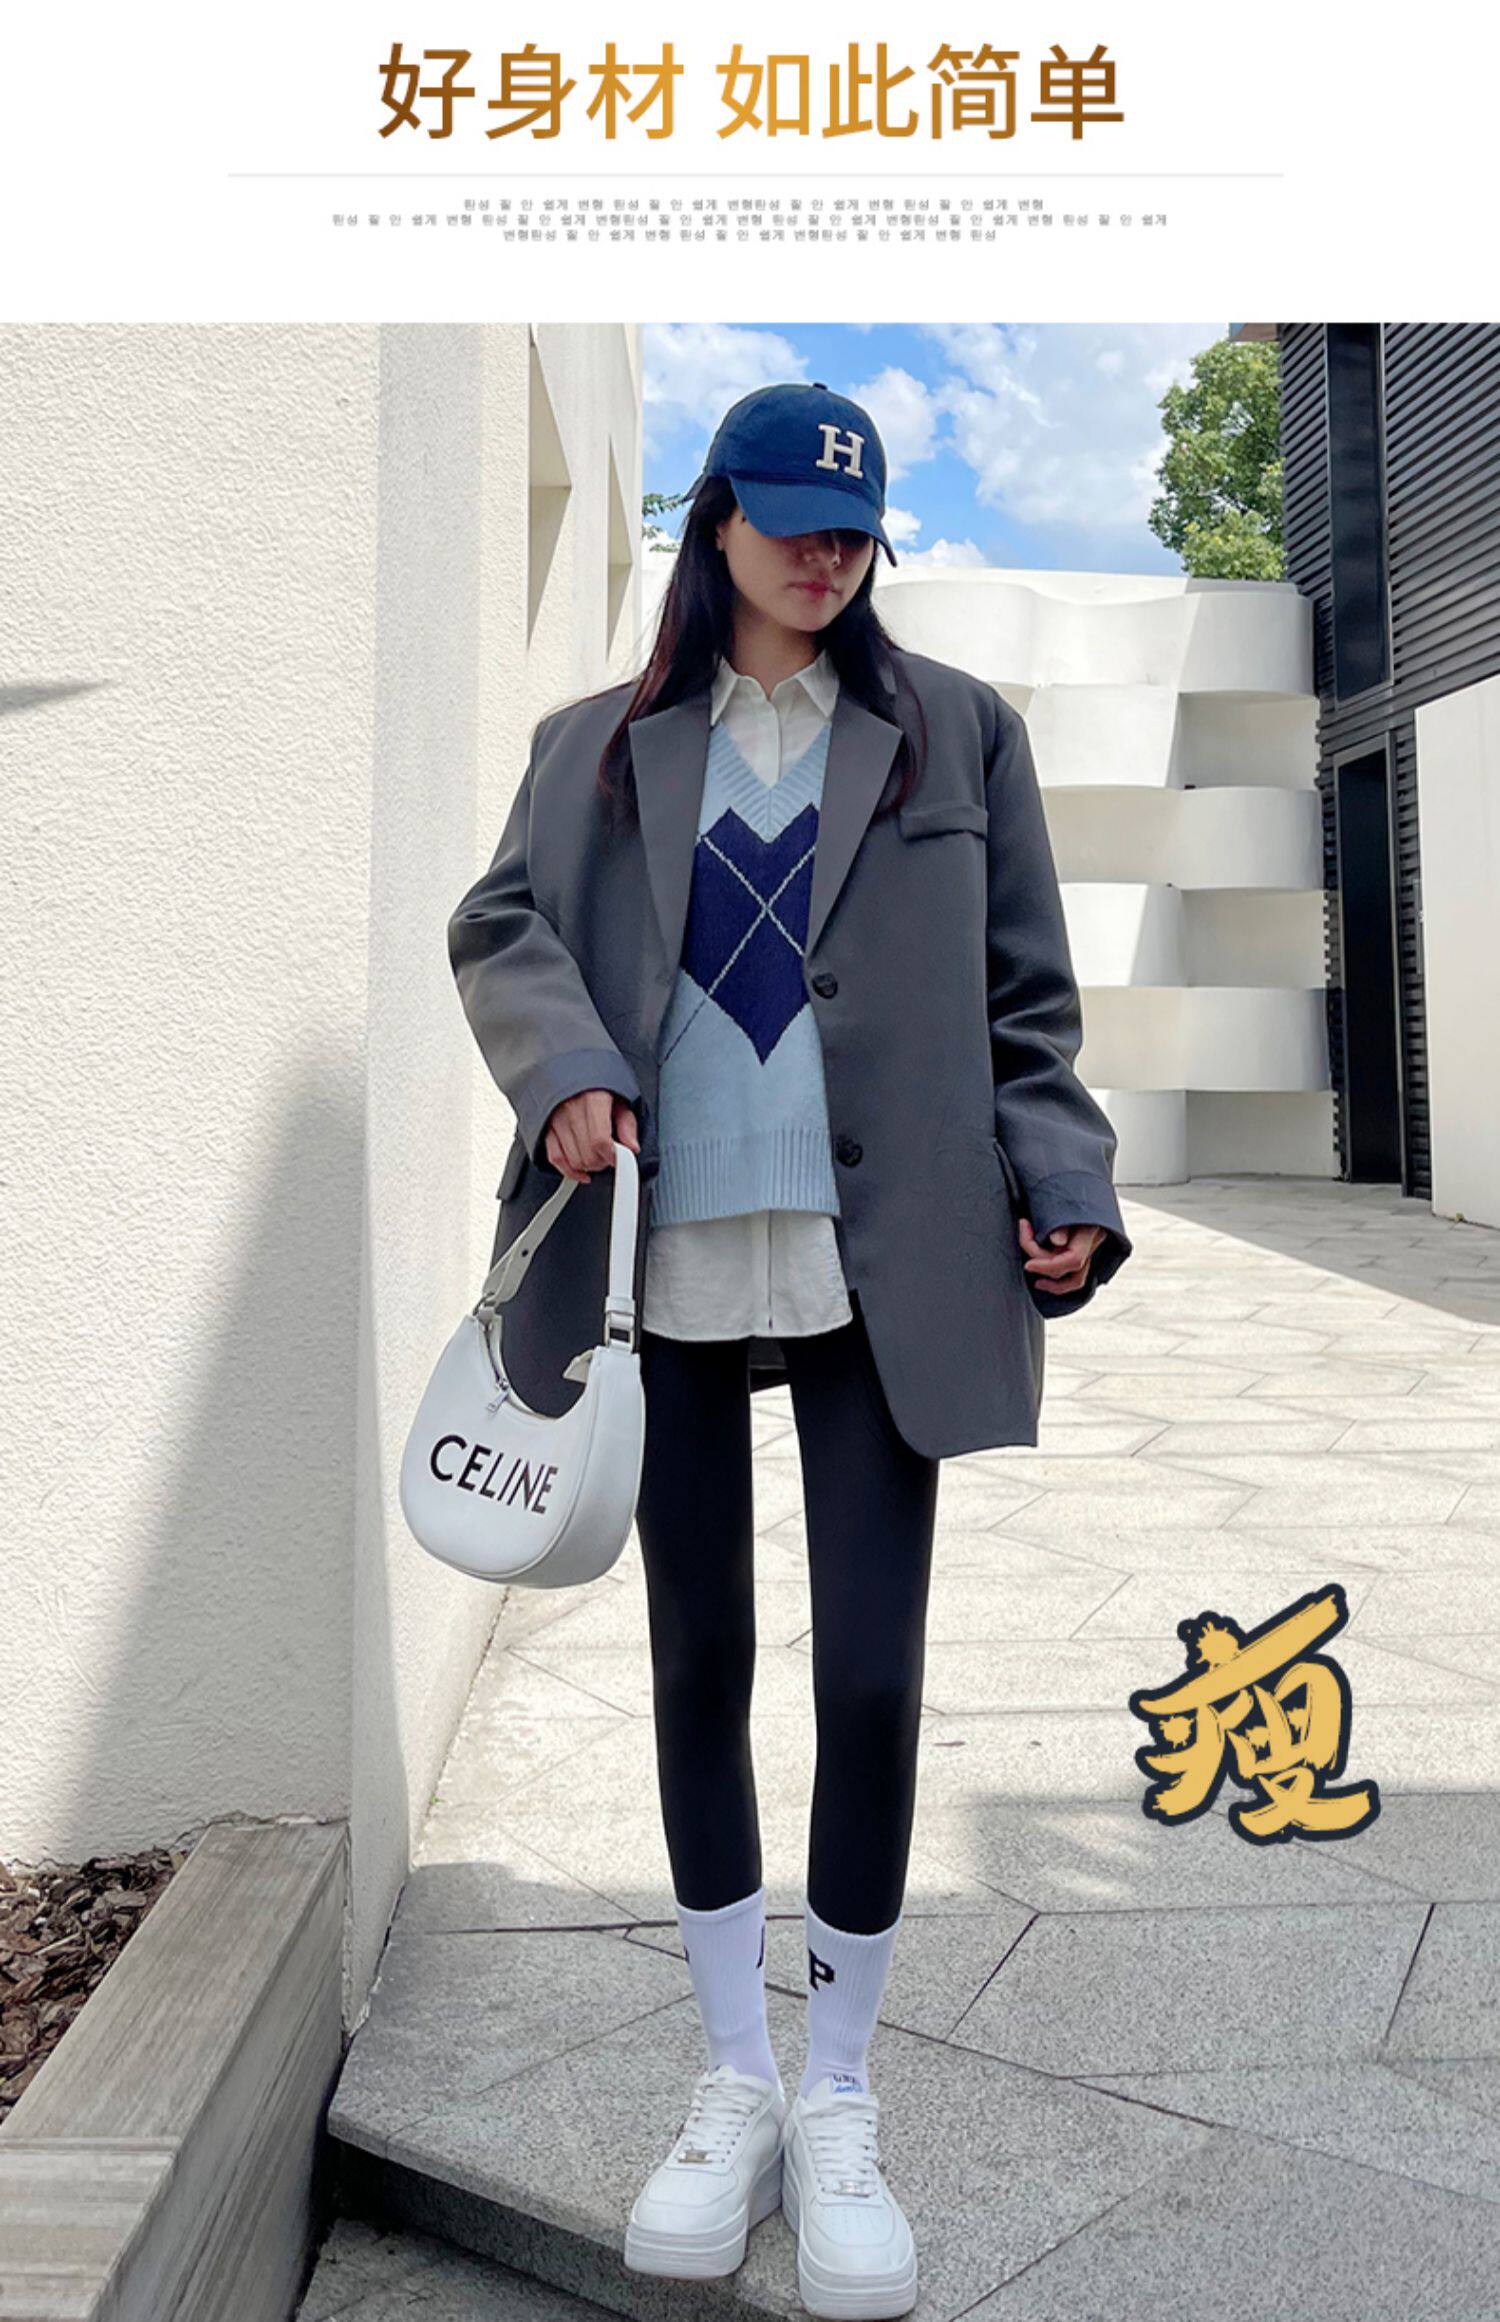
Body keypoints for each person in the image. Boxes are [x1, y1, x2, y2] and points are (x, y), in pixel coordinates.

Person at [447, 380, 1132, 2322]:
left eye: (853, 529)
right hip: (664, 1256)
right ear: (717, 523)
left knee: (877, 1677)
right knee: (699, 1661)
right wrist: (567, 1072)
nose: (825, 555)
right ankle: (731, 2072)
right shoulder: (596, 745)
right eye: (789, 521)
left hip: (875, 1258)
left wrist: (1064, 1182)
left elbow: (1027, 1006)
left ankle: (838, 2088)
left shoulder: (954, 734)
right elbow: (502, 926)